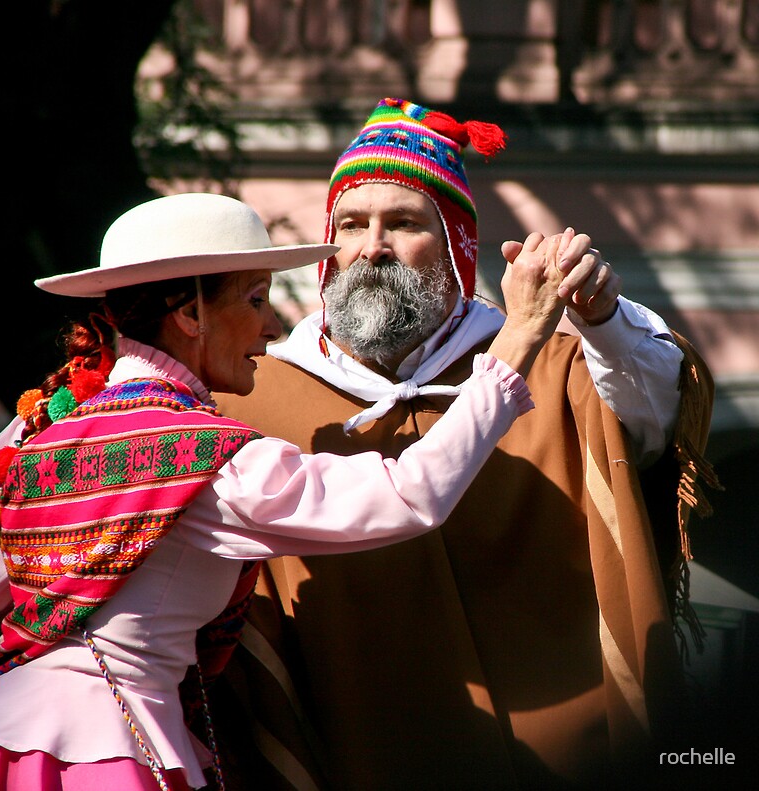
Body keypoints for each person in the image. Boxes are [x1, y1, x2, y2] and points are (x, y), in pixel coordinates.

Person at [0, 190, 586, 791]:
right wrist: (519, 337)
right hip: (103, 753)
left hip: (0, 743)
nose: (272, 324)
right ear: (190, 313)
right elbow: (407, 494)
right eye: (256, 298)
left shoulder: (54, 426)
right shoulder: (201, 457)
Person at [213, 99, 718, 789]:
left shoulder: (553, 364)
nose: (372, 247)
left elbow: (656, 421)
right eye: (352, 224)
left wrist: (603, 320)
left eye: (404, 223)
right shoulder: (256, 397)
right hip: (354, 747)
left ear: (457, 244)